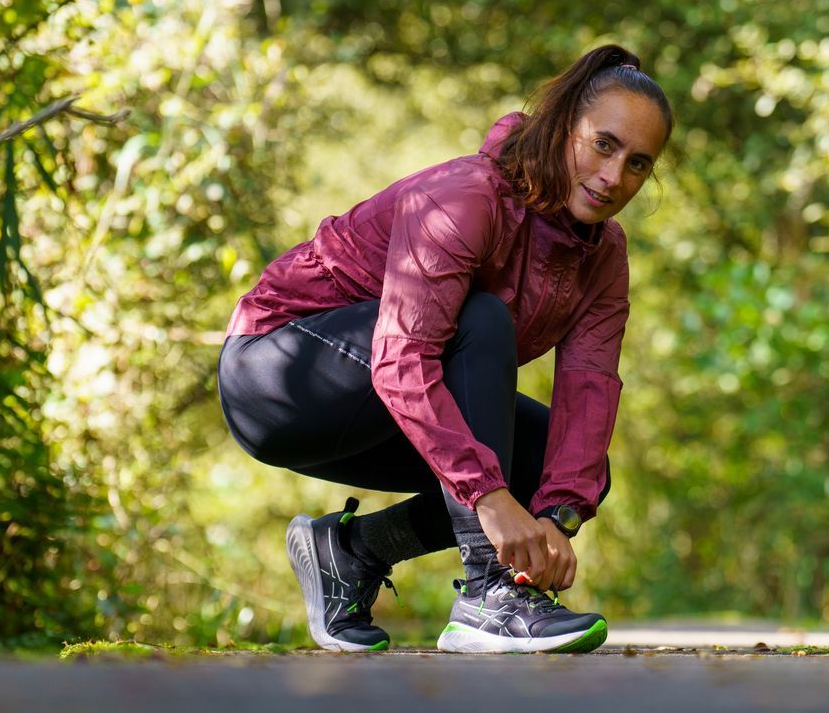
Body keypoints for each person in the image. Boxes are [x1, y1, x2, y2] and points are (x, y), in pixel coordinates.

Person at [216, 45, 672, 653]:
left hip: (379, 404)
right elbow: (404, 358)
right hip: (276, 375)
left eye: (639, 164)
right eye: (604, 145)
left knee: (549, 465)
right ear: (563, 130)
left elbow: (589, 388)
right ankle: (488, 595)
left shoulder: (603, 255)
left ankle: (349, 552)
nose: (616, 177)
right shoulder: (466, 196)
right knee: (478, 318)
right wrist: (488, 499)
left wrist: (556, 517)